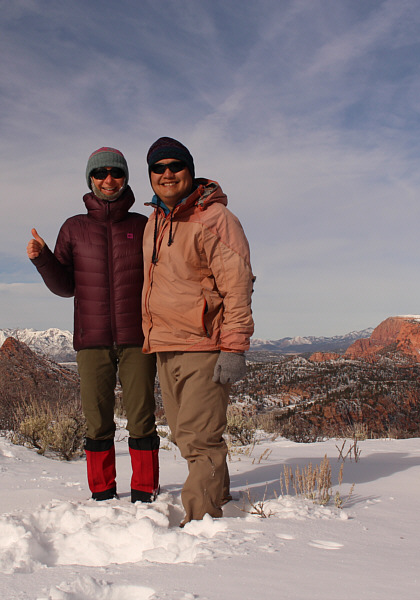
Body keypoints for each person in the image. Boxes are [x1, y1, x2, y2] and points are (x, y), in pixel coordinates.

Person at [27, 147, 160, 503]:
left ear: (125, 178)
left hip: (137, 339)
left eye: (116, 173)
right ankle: (102, 495)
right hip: (92, 341)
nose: (108, 179)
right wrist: (43, 259)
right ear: (90, 179)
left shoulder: (142, 226)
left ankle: (145, 493)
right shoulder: (74, 228)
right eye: (100, 173)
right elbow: (65, 286)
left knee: (141, 419)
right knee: (97, 422)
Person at [140, 137, 255, 525]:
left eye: (175, 166)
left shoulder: (216, 218)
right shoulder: (155, 221)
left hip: (204, 344)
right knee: (184, 434)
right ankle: (219, 496)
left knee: (199, 437)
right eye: (158, 168)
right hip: (165, 344)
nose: (167, 174)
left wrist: (233, 347)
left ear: (190, 170)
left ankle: (200, 521)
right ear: (150, 176)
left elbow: (237, 284)